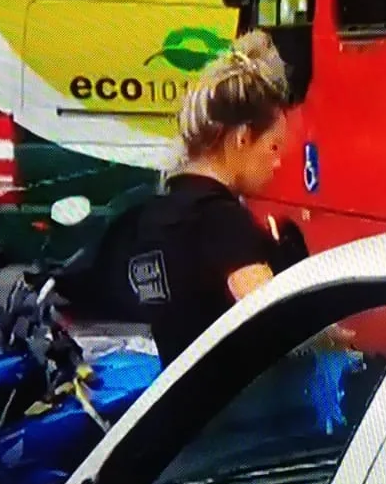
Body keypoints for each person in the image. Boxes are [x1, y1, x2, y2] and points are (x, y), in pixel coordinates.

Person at [125, 30, 297, 366]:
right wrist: (331, 337)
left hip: (184, 404)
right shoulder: (222, 222)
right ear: (242, 139)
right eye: (274, 147)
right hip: (243, 412)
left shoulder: (155, 217)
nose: (278, 162)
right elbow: (275, 320)